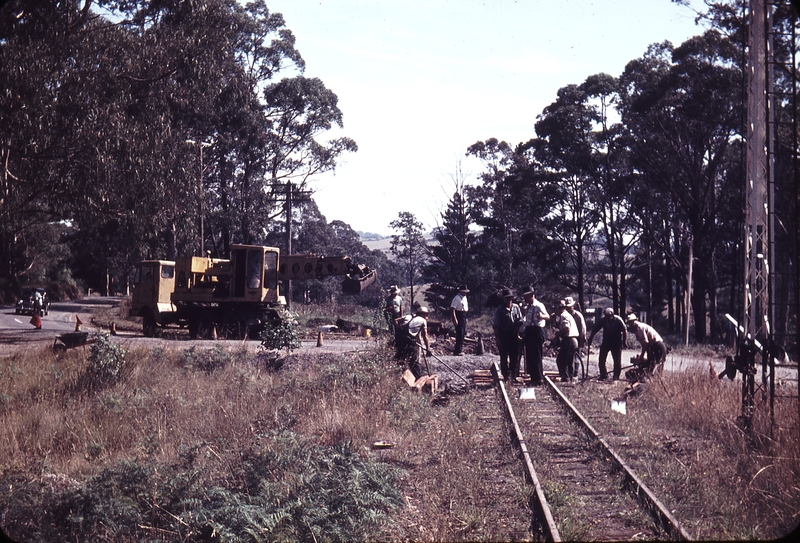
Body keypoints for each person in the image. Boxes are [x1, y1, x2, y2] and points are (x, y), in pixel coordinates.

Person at [519, 286, 549, 385]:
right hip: (529, 331)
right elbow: (526, 321)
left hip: (537, 331)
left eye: (526, 297)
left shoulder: (539, 305)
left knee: (537, 355)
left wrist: (541, 316)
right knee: (530, 356)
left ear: (532, 295)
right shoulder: (528, 307)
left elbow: (548, 316)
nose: (525, 299)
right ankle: (533, 378)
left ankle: (539, 378)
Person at [587, 307, 628, 380]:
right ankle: (603, 375)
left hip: (616, 342)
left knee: (617, 361)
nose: (607, 317)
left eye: (609, 316)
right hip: (606, 342)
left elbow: (625, 330)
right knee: (601, 359)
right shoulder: (603, 320)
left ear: (612, 315)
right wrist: (590, 339)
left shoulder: (618, 320)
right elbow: (595, 329)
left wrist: (624, 341)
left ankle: (616, 376)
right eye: (606, 315)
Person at [493, 288, 523, 383]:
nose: (509, 300)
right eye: (506, 298)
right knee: (504, 356)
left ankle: (513, 375)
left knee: (514, 356)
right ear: (503, 299)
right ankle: (505, 376)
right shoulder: (499, 310)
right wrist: (498, 339)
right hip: (504, 334)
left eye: (510, 298)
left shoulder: (516, 307)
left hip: (513, 334)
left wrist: (518, 333)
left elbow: (520, 321)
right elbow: (496, 326)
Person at [554, 300, 579, 382]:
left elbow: (566, 328)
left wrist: (559, 333)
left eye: (556, 309)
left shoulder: (564, 316)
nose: (555, 310)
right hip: (572, 340)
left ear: (560, 308)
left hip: (569, 340)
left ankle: (565, 378)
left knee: (561, 360)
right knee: (569, 361)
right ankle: (570, 378)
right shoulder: (565, 315)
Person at [404, 306, 432, 379]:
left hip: (401, 337)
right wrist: (428, 349)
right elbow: (425, 336)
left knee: (402, 358)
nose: (427, 316)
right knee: (414, 360)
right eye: (426, 314)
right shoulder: (423, 320)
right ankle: (419, 378)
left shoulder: (411, 317)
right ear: (422, 314)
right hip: (408, 339)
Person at [564, 297, 586, 378]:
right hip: (569, 338)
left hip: (578, 338)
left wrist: (583, 338)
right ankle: (570, 373)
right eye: (567, 307)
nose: (568, 308)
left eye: (570, 307)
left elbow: (583, 328)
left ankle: (575, 373)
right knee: (569, 357)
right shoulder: (565, 315)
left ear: (573, 306)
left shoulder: (578, 315)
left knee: (576, 356)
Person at [450, 284, 469, 355]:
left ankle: (460, 349)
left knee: (463, 333)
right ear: (460, 291)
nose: (465, 293)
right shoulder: (457, 298)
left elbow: (465, 308)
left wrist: (466, 318)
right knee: (459, 333)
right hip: (458, 315)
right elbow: (452, 309)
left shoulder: (464, 298)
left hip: (463, 315)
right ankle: (457, 351)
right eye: (464, 291)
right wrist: (454, 319)